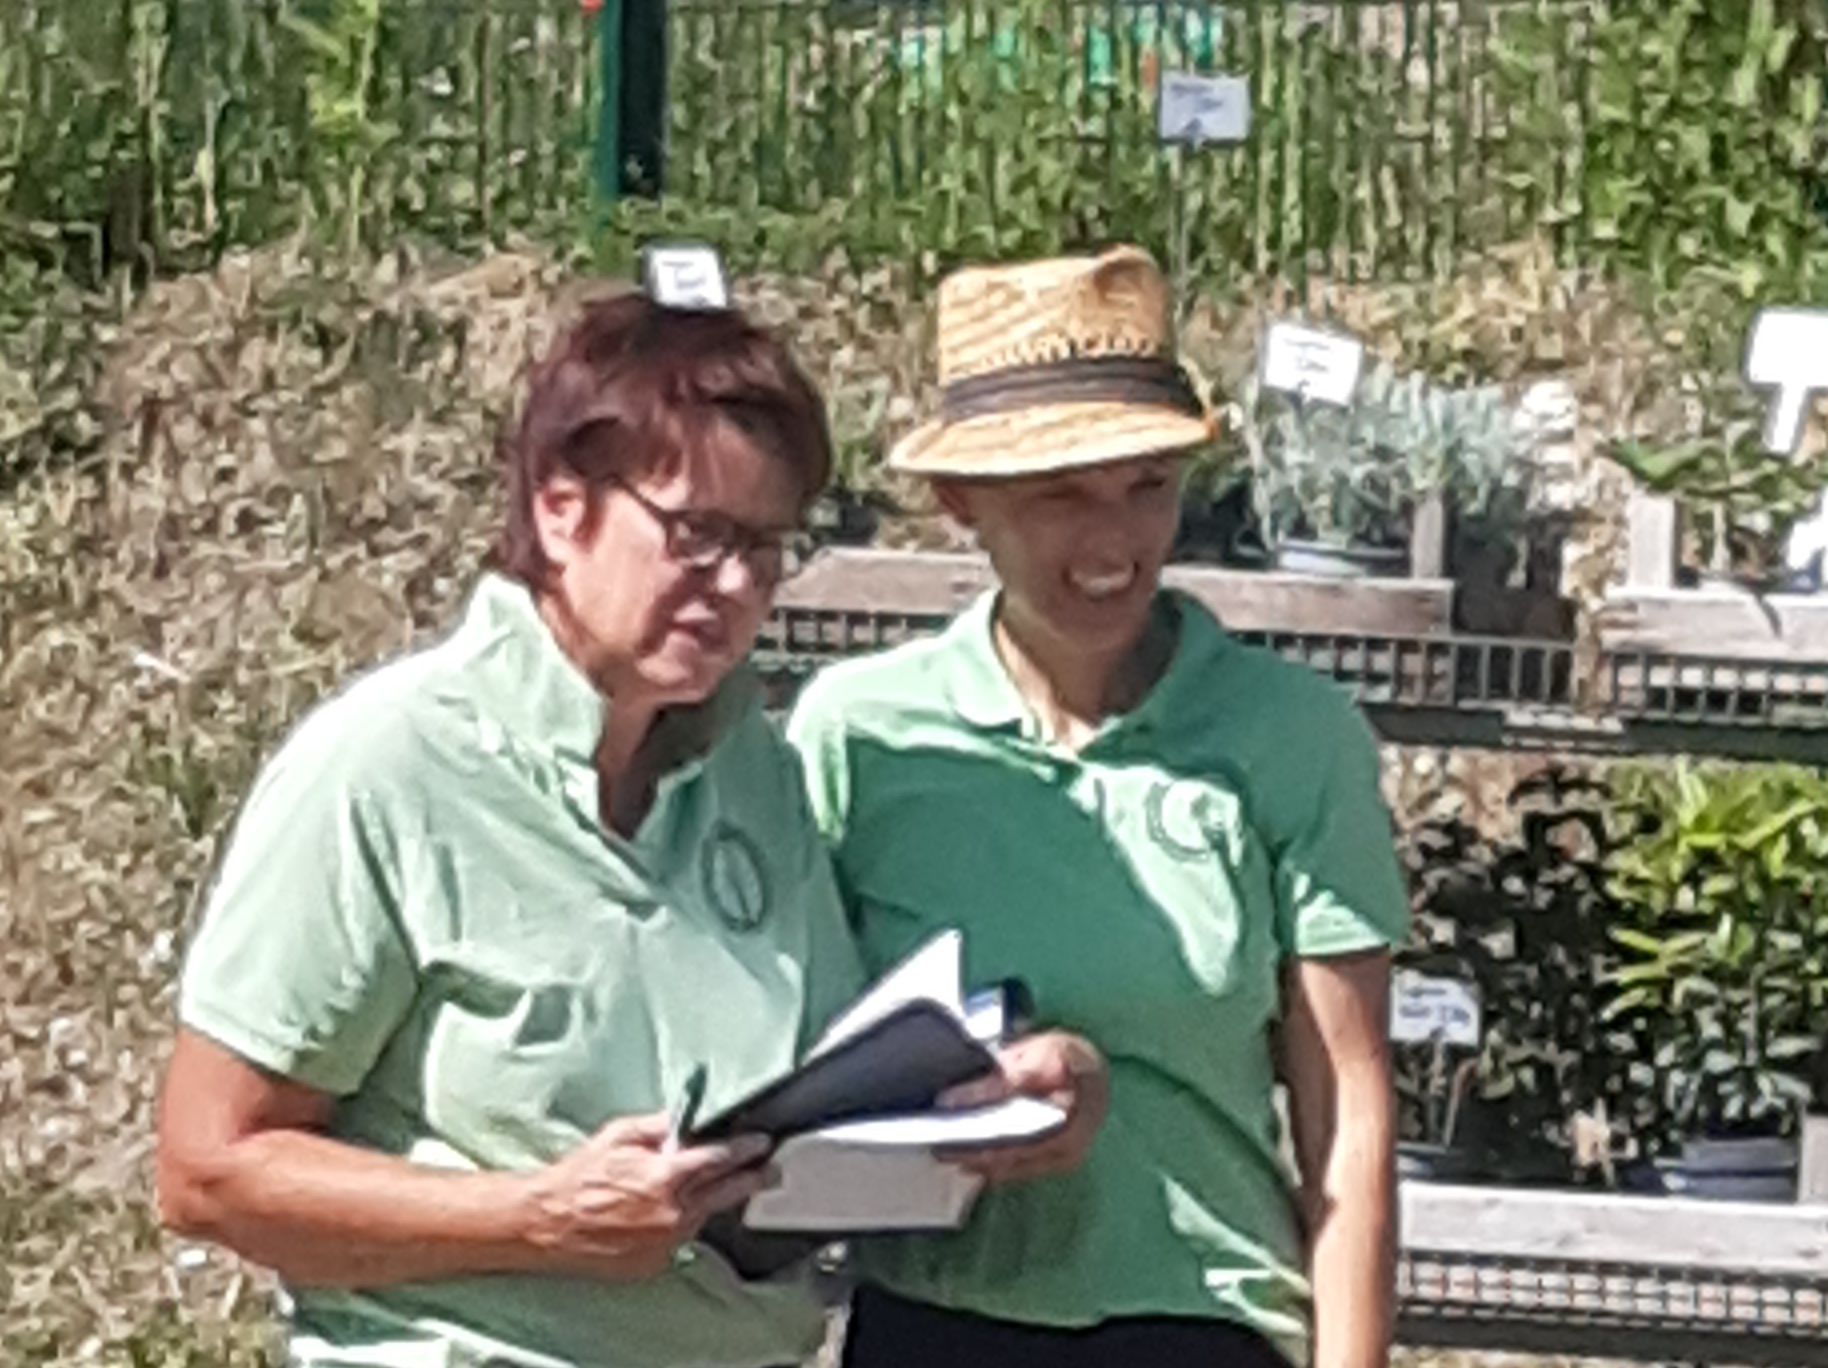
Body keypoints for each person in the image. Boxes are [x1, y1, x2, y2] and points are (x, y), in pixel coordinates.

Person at [155, 292, 867, 1368]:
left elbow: (827, 1087)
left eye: (766, 547)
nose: (735, 585)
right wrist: (537, 1218)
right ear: (560, 509)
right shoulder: (388, 768)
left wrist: (981, 1109)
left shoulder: (751, 770)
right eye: (697, 535)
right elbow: (207, 1172)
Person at [789, 247, 1410, 1368]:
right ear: (960, 502)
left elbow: (1348, 1110)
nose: (1114, 542)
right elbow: (790, 1054)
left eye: (1147, 487)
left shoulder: (1290, 737)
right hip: (934, 1322)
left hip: (1204, 1325)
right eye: (1061, 496)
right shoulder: (860, 737)